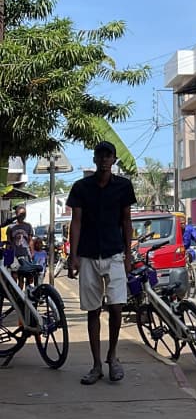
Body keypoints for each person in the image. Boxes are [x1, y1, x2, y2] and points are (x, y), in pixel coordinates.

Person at [67, 141, 136, 385]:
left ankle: (112, 356)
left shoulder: (123, 187)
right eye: (101, 155)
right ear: (95, 159)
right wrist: (72, 256)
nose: (105, 159)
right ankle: (96, 365)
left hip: (115, 253)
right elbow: (75, 222)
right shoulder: (81, 187)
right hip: (87, 255)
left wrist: (129, 255)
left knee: (117, 307)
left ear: (114, 160)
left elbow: (127, 222)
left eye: (109, 156)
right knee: (93, 310)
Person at [7, 204, 36, 289]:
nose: (23, 216)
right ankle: (14, 293)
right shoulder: (11, 227)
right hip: (13, 254)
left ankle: (19, 297)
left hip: (25, 254)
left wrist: (32, 253)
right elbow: (9, 242)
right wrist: (7, 257)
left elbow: (30, 241)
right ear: (16, 214)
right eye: (21, 214)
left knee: (22, 276)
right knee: (14, 275)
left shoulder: (28, 226)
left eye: (24, 214)